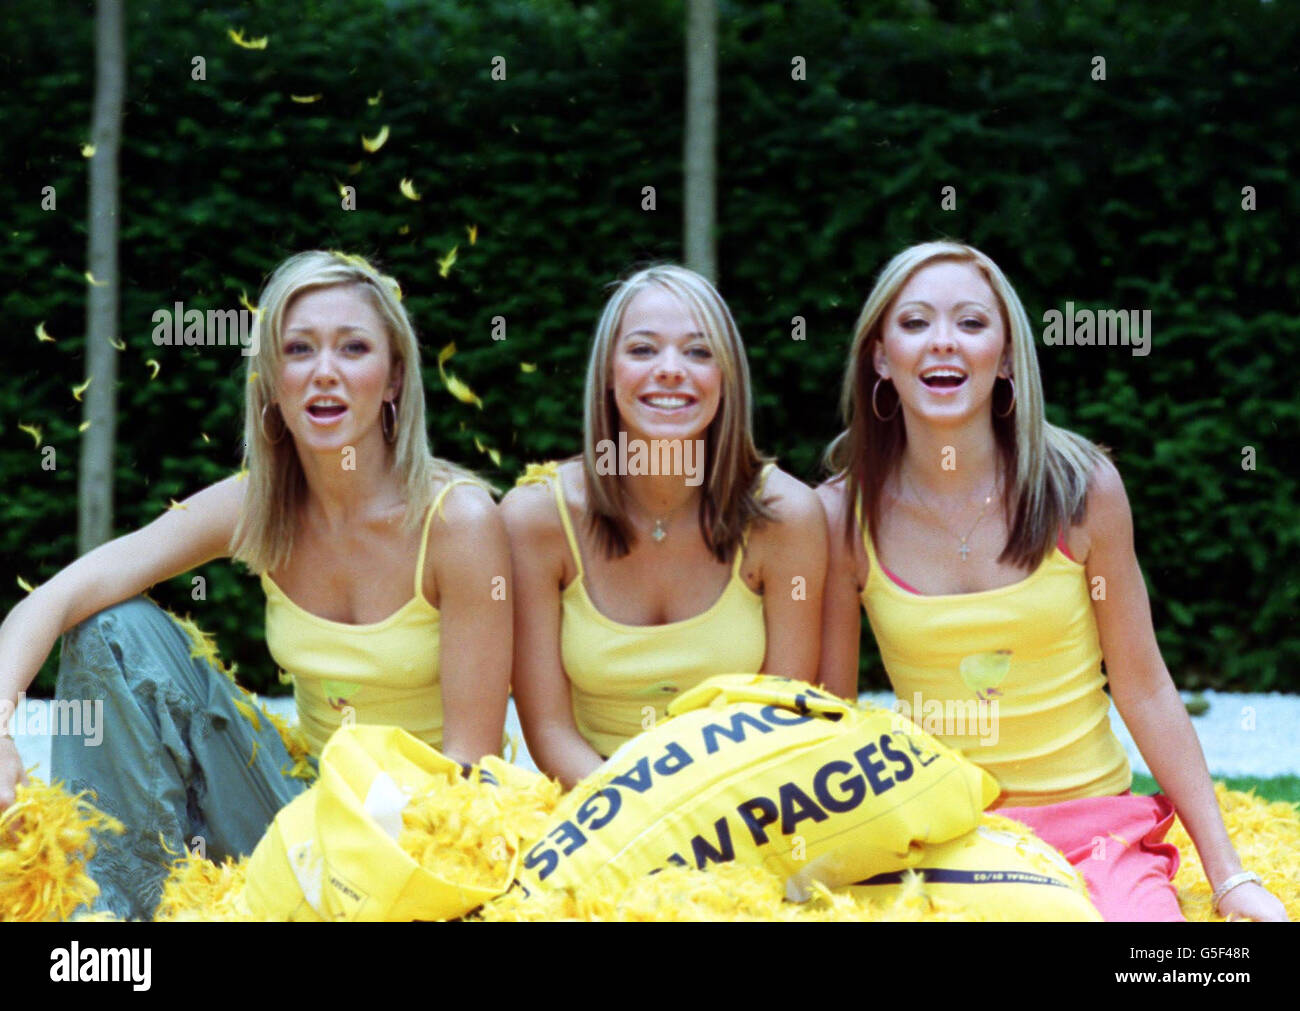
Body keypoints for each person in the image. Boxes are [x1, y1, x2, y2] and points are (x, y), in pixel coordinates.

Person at [0, 250, 512, 919]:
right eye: (299, 349)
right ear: (272, 379)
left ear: (393, 378)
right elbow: (59, 595)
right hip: (294, 810)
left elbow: (467, 771)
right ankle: (113, 932)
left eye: (353, 347)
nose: (324, 371)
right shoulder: (258, 503)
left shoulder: (460, 522)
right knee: (111, 628)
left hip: (412, 844)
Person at [816, 240, 1288, 922]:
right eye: (915, 322)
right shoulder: (841, 513)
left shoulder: (1081, 489)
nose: (943, 342)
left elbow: (1145, 684)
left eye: (972, 323)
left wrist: (1230, 876)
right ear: (880, 358)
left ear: (1006, 356)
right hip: (945, 839)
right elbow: (832, 713)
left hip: (1097, 838)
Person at [502, 264, 827, 788]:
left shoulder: (787, 515)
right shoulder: (536, 517)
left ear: (727, 376)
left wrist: (695, 823)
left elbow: (780, 717)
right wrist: (635, 819)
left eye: (699, 352)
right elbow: (549, 732)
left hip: (740, 806)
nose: (671, 369)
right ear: (609, 373)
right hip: (589, 808)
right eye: (643, 350)